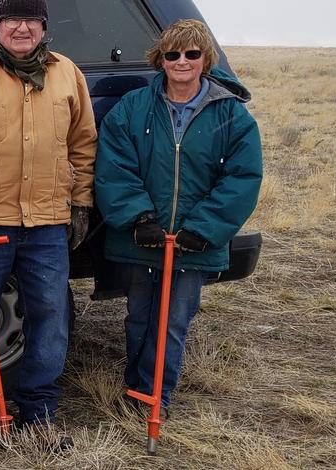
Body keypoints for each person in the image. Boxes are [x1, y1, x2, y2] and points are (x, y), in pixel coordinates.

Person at [0, 0, 96, 446]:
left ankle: (39, 412)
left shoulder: (68, 74)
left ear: (44, 27)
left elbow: (83, 143)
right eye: (12, 20)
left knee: (50, 315)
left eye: (31, 20)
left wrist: (80, 203)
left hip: (48, 222)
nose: (21, 28)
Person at [95, 19, 262, 417]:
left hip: (192, 244)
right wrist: (139, 218)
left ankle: (156, 397)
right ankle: (135, 391)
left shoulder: (231, 117)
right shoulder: (132, 108)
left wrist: (202, 230)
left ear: (206, 59)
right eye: (173, 54)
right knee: (139, 317)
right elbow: (114, 165)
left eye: (191, 53)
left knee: (172, 321)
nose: (181, 61)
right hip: (144, 238)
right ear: (161, 59)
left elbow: (241, 178)